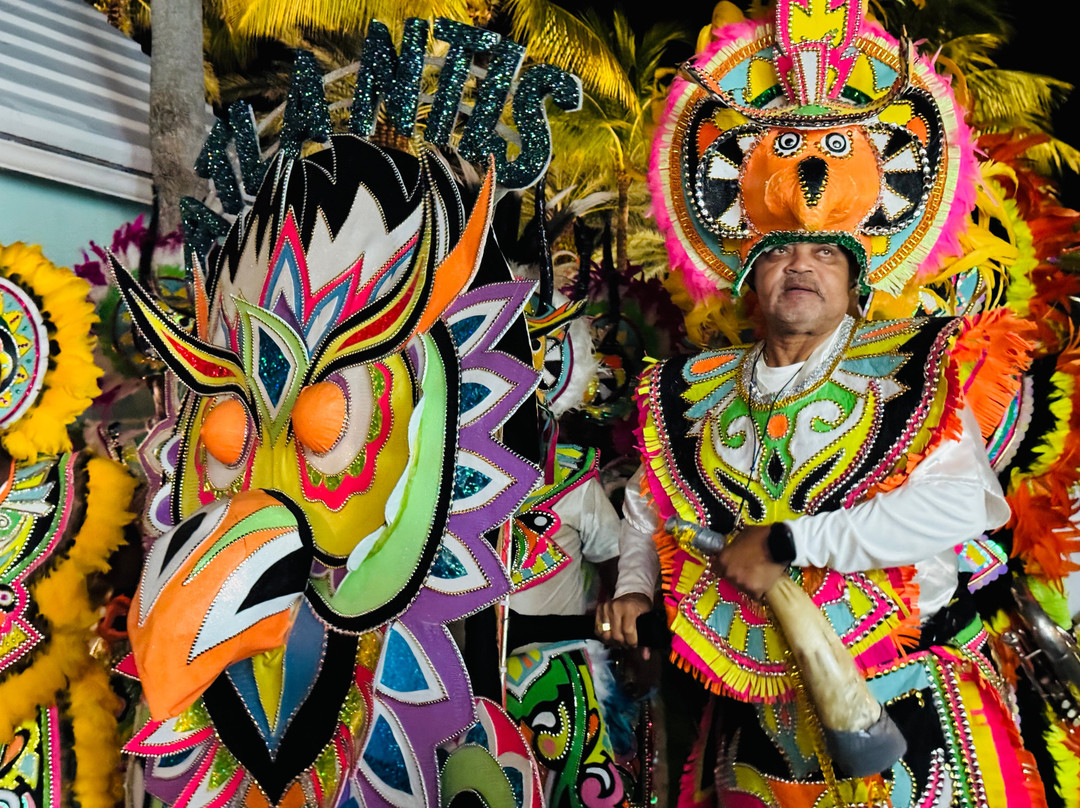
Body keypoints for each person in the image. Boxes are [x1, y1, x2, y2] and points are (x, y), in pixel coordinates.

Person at [637, 0, 1047, 804]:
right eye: (780, 252)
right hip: (755, 722)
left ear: (856, 285)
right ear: (748, 278)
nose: (801, 266)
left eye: (825, 253)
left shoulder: (912, 368)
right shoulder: (692, 390)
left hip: (910, 706)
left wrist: (791, 542)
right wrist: (630, 587)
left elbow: (964, 505)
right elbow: (648, 510)